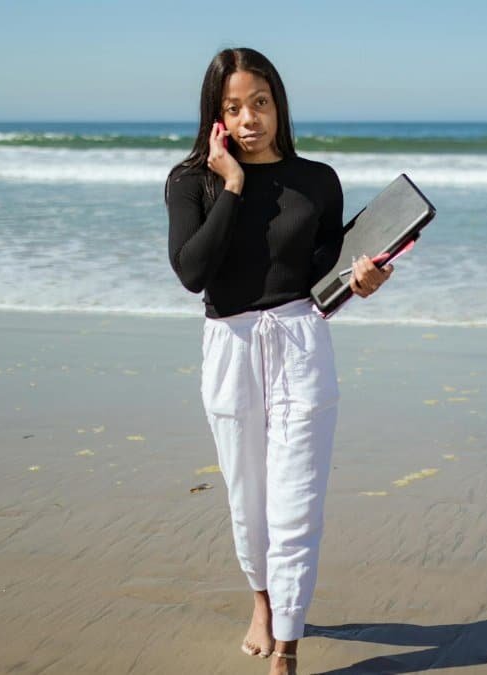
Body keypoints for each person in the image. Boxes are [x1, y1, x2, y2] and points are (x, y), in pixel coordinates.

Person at [164, 47, 392, 674]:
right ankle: (262, 601)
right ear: (215, 115)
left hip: (300, 341)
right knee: (249, 496)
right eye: (233, 107)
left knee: (297, 497)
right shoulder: (192, 182)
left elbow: (324, 275)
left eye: (259, 103)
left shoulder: (316, 180)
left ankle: (287, 647)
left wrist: (362, 282)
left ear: (278, 106)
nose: (249, 119)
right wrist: (233, 187)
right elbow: (191, 272)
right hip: (230, 347)